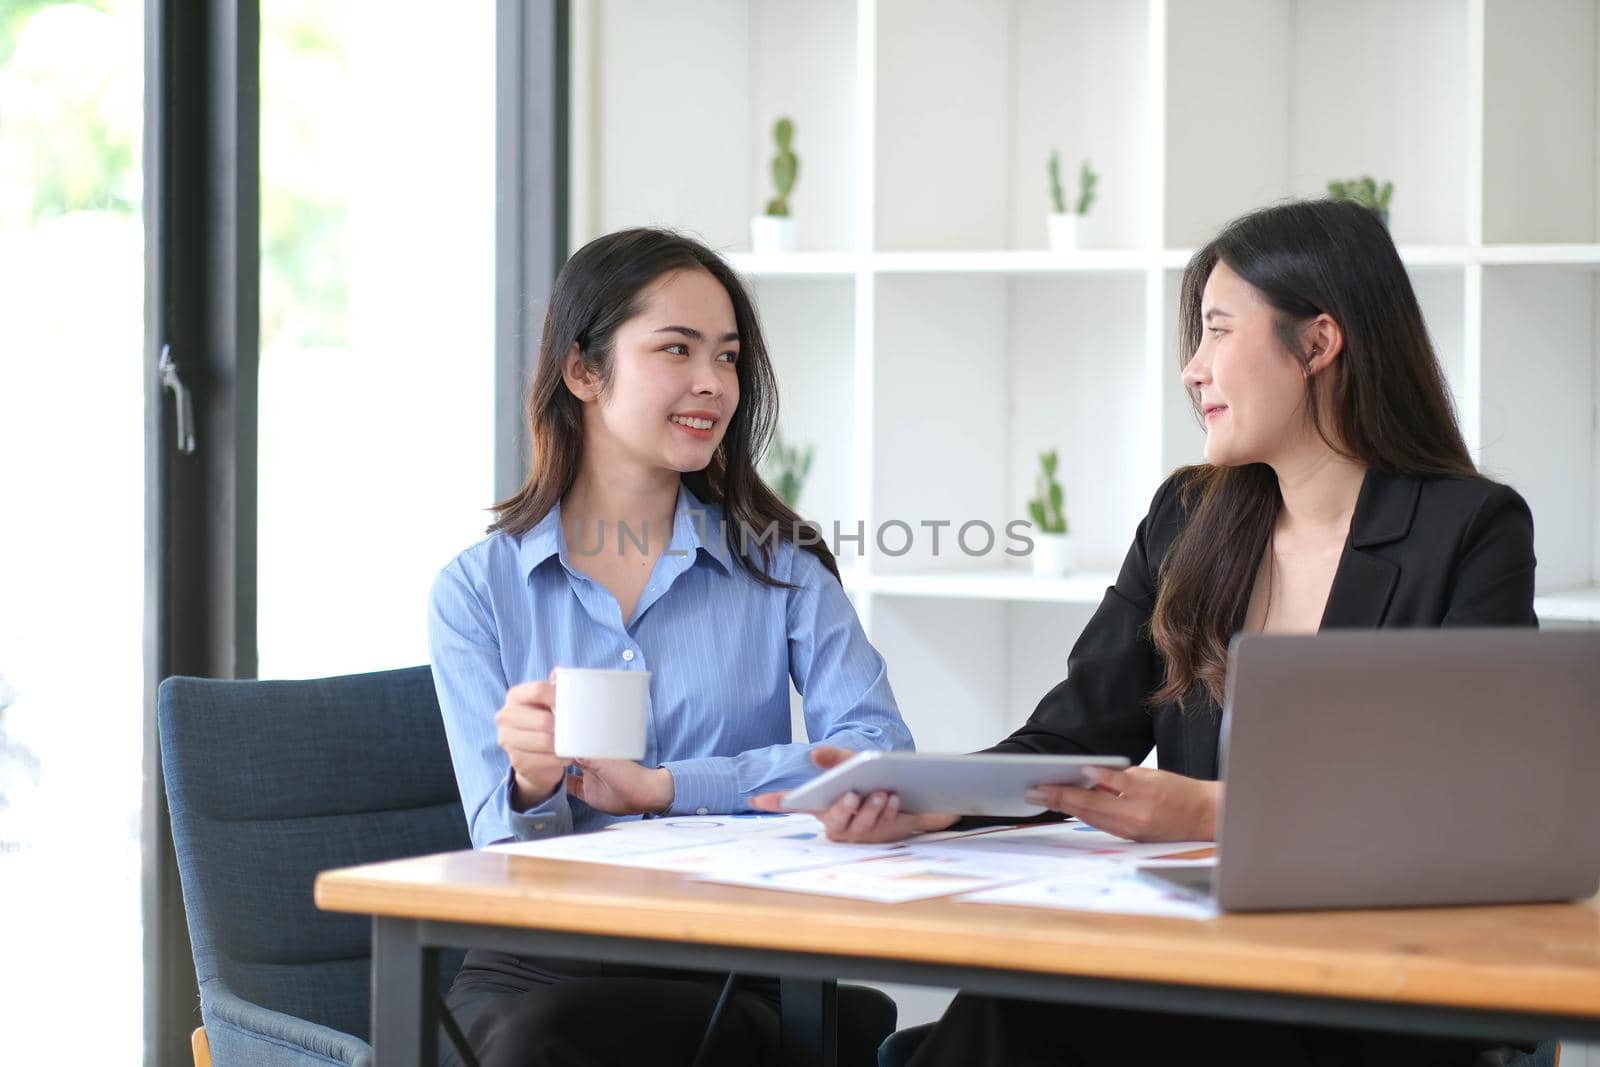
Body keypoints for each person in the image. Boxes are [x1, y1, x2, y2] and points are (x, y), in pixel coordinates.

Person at [757, 199, 1539, 1066]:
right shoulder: (1187, 518)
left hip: (1372, 978)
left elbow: (1475, 805)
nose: (1192, 369)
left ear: (1317, 344)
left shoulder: (1471, 528)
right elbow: (1073, 732)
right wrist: (931, 801)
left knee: (1011, 1021)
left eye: (1216, 331)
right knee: (1012, 1001)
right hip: (1193, 955)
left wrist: (1208, 808)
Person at [428, 227, 913, 1067]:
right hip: (536, 963)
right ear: (583, 372)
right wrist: (532, 780)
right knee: (523, 1040)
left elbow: (877, 759)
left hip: (732, 961)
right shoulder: (477, 590)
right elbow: (501, 849)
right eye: (677, 350)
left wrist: (670, 786)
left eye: (726, 357)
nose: (712, 384)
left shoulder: (783, 571)